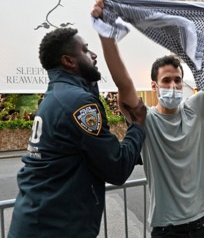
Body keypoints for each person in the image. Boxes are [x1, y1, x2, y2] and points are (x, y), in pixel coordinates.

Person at [92, 0, 204, 238]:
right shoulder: (145, 119)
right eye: (166, 80)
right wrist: (105, 33)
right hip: (169, 231)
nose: (173, 85)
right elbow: (122, 82)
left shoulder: (195, 108)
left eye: (177, 80)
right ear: (154, 86)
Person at [8, 28, 147, 238]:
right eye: (85, 50)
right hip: (55, 229)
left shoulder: (59, 96)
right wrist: (137, 125)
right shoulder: (78, 103)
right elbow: (116, 167)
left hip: (40, 223)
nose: (94, 55)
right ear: (69, 61)